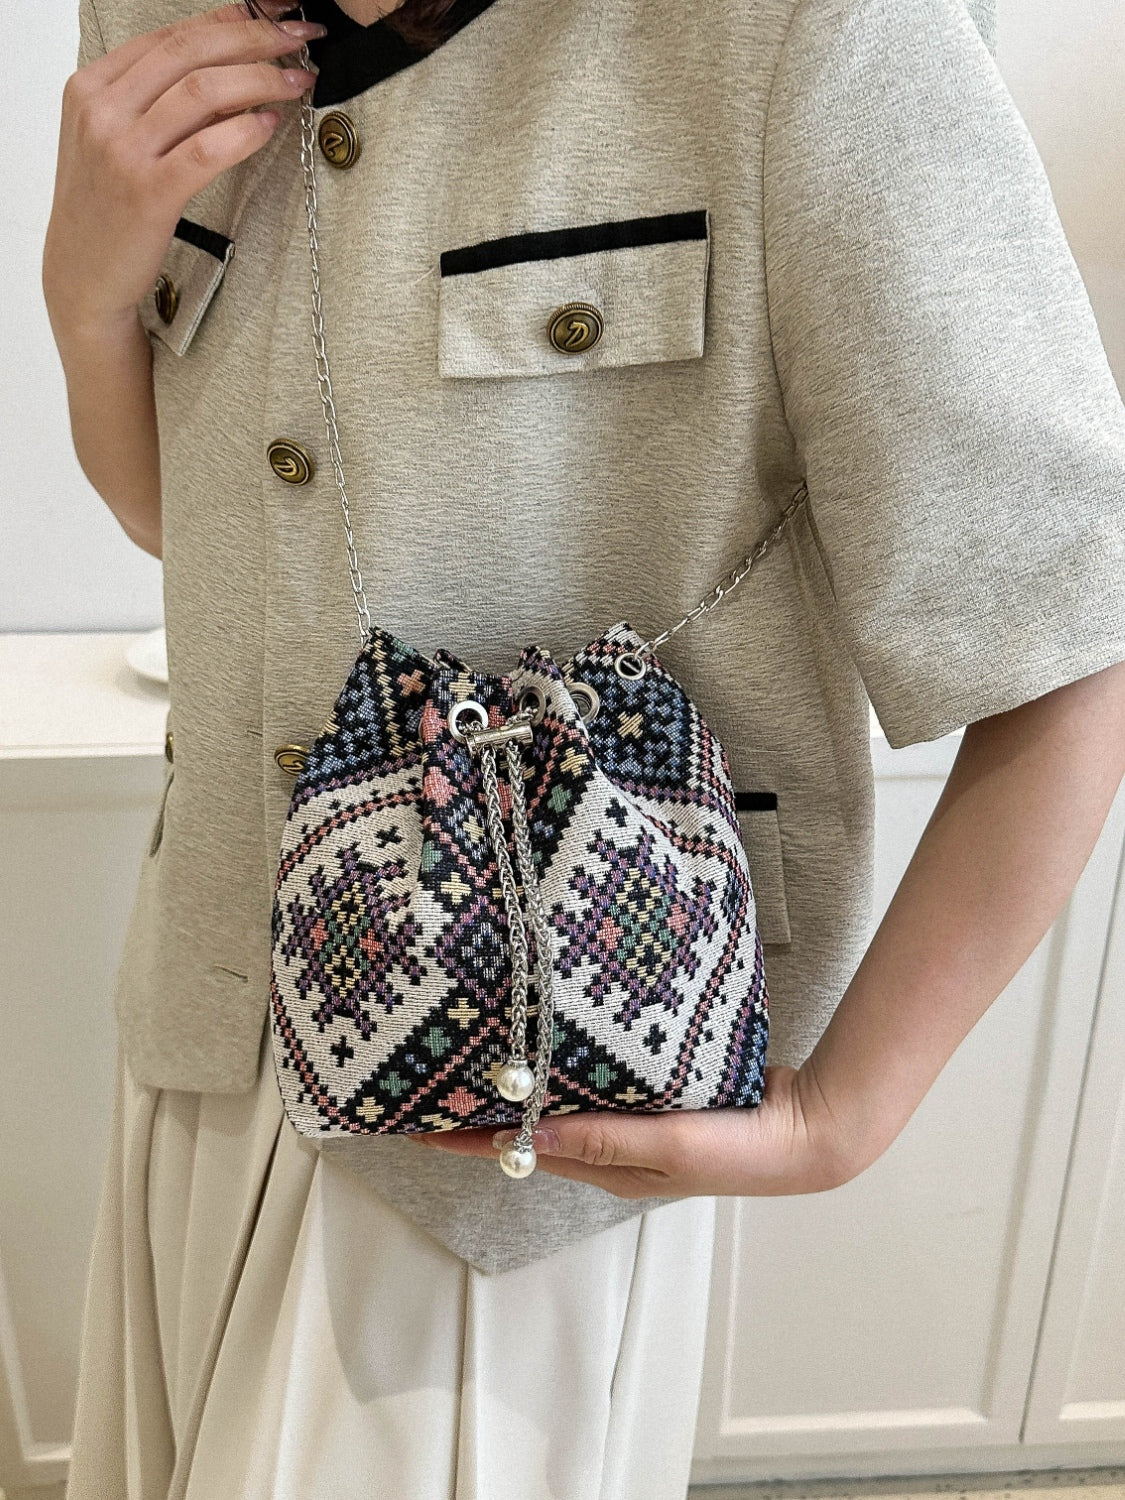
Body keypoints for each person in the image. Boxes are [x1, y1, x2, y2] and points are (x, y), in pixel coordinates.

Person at [44, 0, 1125, 1495]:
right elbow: (197, 540)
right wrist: (85, 299)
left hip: (516, 1145)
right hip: (200, 1045)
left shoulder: (805, 35)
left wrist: (841, 1113)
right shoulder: (154, 22)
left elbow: (1068, 628)